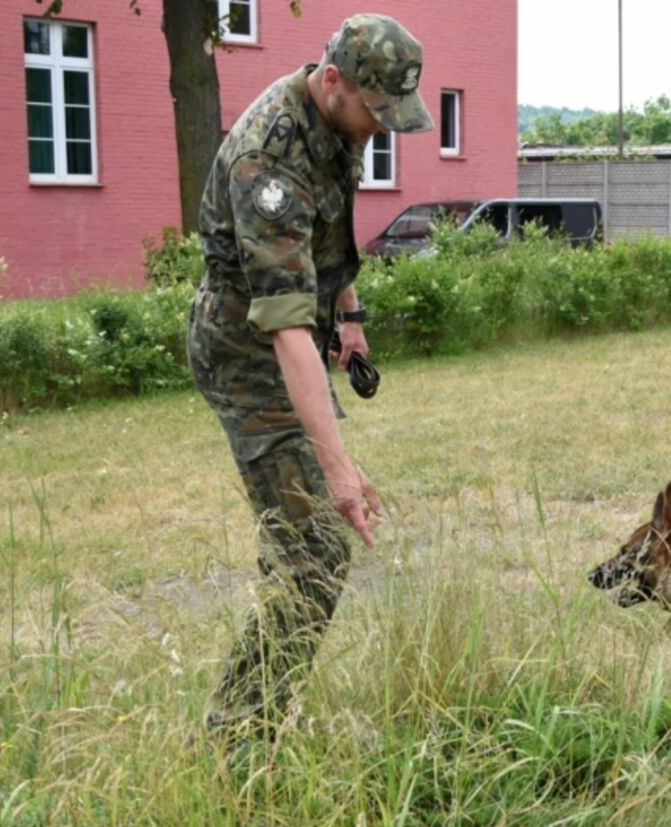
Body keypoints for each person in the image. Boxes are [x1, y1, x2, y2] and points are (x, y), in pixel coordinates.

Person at [187, 13, 434, 741]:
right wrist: (341, 470)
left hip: (291, 345)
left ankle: (254, 719)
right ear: (333, 81)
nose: (382, 129)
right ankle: (238, 737)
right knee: (318, 552)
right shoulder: (270, 158)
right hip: (247, 356)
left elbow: (331, 237)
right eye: (375, 112)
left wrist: (350, 314)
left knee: (297, 547)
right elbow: (286, 328)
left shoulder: (338, 123)